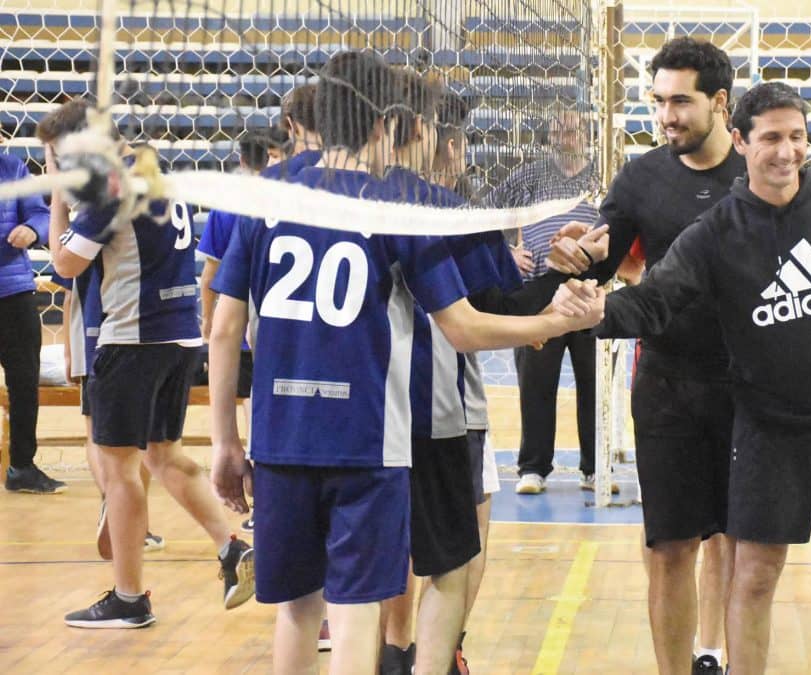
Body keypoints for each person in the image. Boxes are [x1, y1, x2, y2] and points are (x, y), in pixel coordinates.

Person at [207, 51, 604, 675]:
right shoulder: (395, 206)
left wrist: (225, 440)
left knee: (296, 610)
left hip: (280, 437)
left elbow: (225, 326)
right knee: (357, 607)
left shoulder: (266, 198)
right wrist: (557, 322)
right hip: (367, 443)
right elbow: (465, 328)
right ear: (392, 124)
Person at [554, 81, 811, 675]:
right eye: (770, 138)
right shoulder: (715, 234)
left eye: (797, 138)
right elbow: (655, 301)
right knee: (755, 574)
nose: (786, 152)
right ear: (740, 141)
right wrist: (597, 310)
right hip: (769, 428)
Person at [547, 37, 744, 674]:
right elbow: (603, 259)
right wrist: (577, 254)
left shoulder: (759, 173)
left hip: (755, 387)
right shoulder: (640, 177)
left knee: (741, 543)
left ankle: (716, 651)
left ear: (720, 102)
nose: (666, 116)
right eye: (657, 101)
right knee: (669, 546)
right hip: (668, 384)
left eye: (680, 102)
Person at [41, 98, 255, 628]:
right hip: (180, 337)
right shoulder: (153, 171)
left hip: (132, 338)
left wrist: (55, 197)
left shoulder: (110, 187)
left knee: (119, 470)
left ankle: (129, 597)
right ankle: (232, 547)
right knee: (164, 455)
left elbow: (63, 262)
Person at [484, 106, 605, 496]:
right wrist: (506, 252)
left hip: (590, 292)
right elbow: (488, 212)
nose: (564, 136)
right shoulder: (532, 174)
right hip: (539, 293)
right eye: (558, 130)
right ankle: (533, 468)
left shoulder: (600, 177)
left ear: (586, 134)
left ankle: (593, 468)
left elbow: (619, 228)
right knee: (536, 383)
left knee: (593, 383)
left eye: (571, 129)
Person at [47, 155, 162, 556]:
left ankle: (112, 505)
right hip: (141, 328)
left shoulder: (86, 216)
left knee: (97, 430)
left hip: (101, 329)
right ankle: (132, 519)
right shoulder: (142, 207)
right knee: (143, 439)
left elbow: (64, 277)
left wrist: (57, 193)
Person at [197, 126, 290, 533]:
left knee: (252, 415)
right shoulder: (298, 202)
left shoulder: (229, 205)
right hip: (280, 333)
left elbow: (209, 275)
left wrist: (206, 319)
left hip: (239, 328)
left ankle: (263, 507)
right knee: (266, 416)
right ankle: (268, 504)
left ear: (240, 161)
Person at [0, 150, 66, 494]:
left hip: (12, 289)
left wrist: (30, 229)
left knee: (24, 382)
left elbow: (41, 214)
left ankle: (22, 467)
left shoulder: (13, 167)